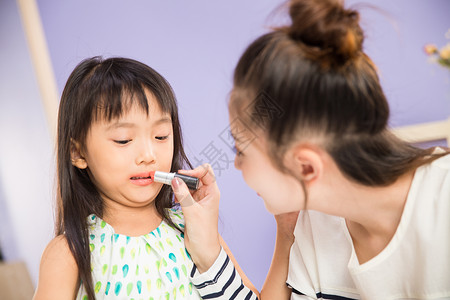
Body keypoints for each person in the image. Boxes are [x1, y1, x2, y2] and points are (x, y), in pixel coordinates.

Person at [172, 0, 450, 299]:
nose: (236, 166)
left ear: (305, 167)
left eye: (241, 150)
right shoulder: (313, 223)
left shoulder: (441, 203)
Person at [32, 56, 259, 300]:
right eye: (123, 140)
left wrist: (214, 254)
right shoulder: (70, 254)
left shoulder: (193, 231)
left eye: (161, 136)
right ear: (77, 152)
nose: (148, 156)